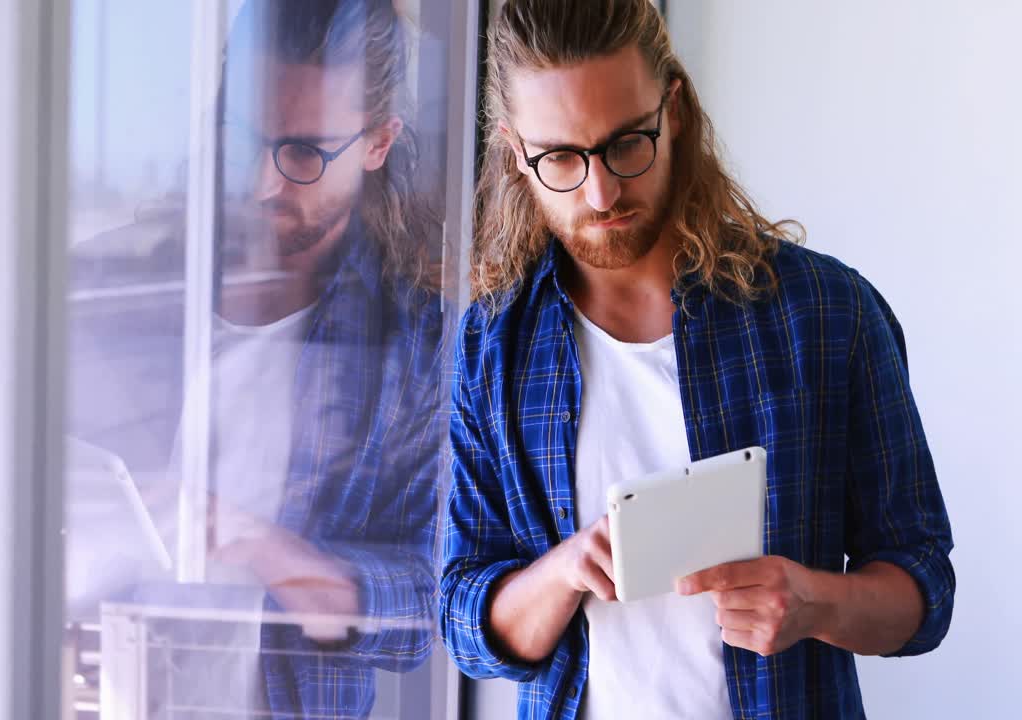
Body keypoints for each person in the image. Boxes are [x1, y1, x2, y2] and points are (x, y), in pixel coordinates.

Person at [437, 1, 955, 718]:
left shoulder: (830, 314)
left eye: (625, 144)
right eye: (560, 157)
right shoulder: (492, 349)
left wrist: (814, 602)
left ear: (673, 108)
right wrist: (560, 574)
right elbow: (464, 620)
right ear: (514, 152)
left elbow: (924, 588)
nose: (601, 192)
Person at [67, 1, 447, 717]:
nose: (265, 182)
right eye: (246, 138)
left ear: (377, 143)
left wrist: (265, 548)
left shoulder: (415, 350)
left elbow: (428, 605)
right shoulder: (112, 285)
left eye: (305, 152)